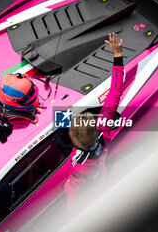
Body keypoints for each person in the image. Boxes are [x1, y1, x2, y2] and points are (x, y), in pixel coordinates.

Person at [63, 32, 125, 216]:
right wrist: (118, 56)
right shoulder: (103, 127)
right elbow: (115, 91)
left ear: (74, 140)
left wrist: (69, 216)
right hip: (100, 173)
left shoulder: (77, 165)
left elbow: (73, 193)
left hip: (91, 185)